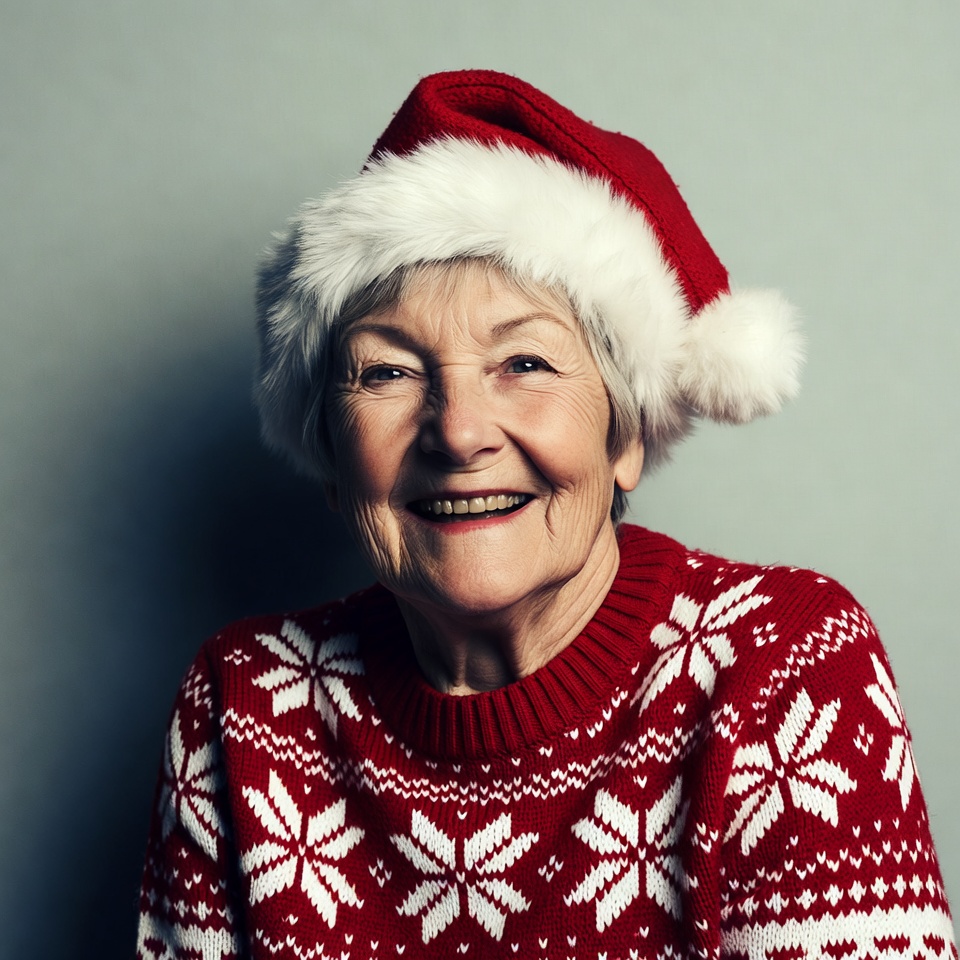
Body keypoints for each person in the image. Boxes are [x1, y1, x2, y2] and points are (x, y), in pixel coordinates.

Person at [136, 70, 956, 958]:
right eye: (387, 372)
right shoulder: (244, 700)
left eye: (524, 362)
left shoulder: (786, 666)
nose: (457, 433)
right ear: (329, 453)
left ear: (627, 433)